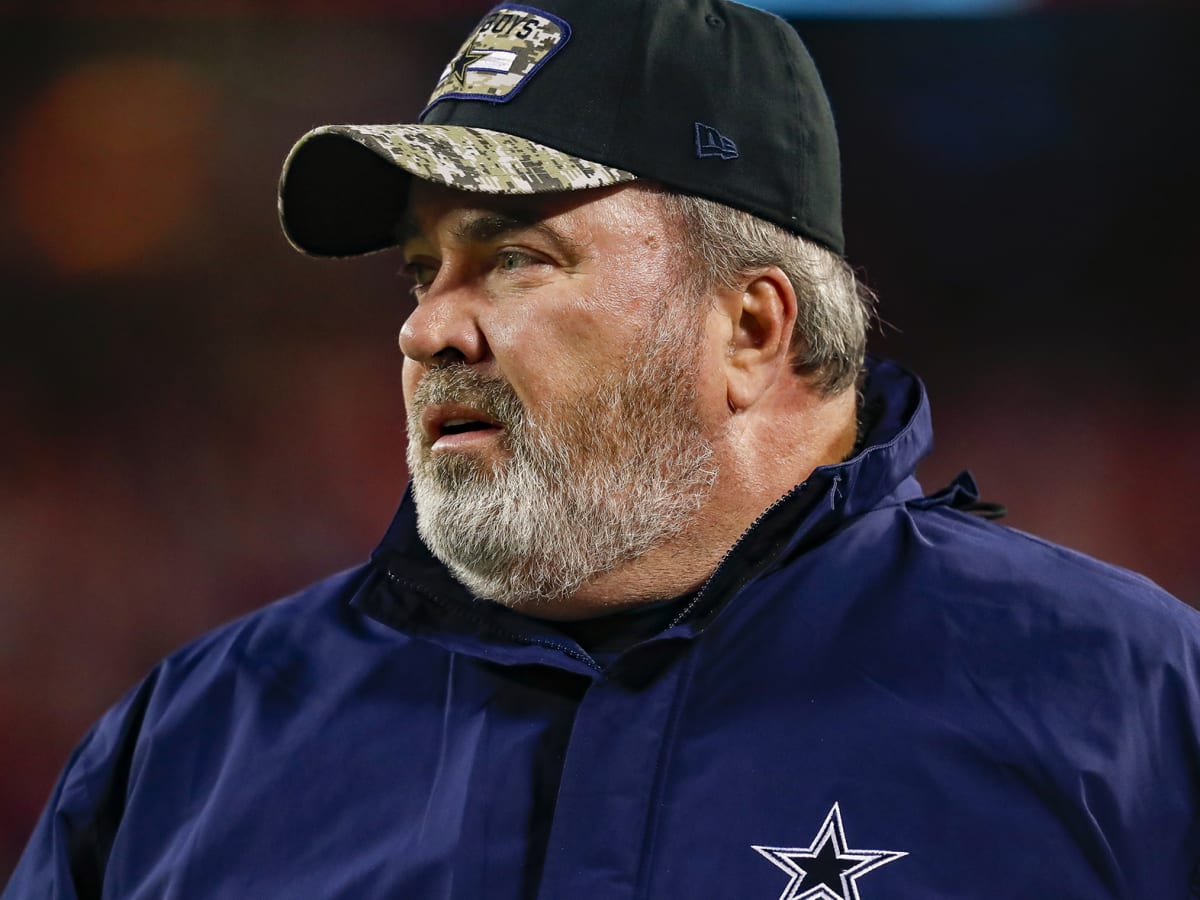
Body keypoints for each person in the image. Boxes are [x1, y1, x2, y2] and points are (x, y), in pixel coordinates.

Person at [7, 0, 1200, 897]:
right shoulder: (196, 739)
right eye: (422, 270)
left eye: (514, 256)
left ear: (750, 326)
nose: (428, 326)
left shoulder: (1123, 703)